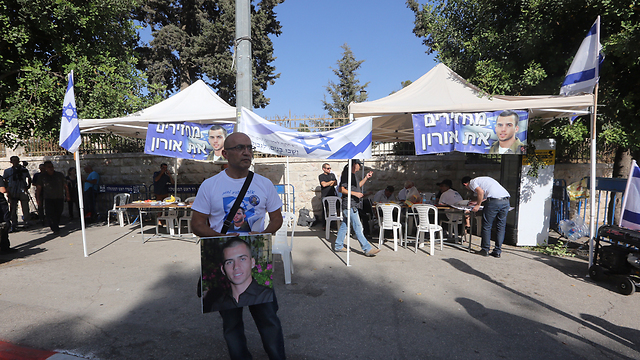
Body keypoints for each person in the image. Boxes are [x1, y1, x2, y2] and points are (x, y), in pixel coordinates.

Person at [191, 132, 285, 359]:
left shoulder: (263, 184)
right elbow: (197, 224)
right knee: (232, 324)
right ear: (225, 153)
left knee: (268, 319)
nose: (246, 152)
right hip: (226, 262)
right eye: (239, 147)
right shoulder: (210, 185)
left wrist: (261, 234)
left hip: (256, 261)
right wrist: (222, 240)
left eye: (249, 147)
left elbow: (277, 218)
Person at [334, 160, 381, 257]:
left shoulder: (352, 175)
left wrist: (366, 178)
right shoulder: (347, 174)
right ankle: (367, 249)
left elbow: (357, 186)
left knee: (344, 226)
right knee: (358, 227)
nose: (360, 167)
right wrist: (355, 194)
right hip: (349, 205)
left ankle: (338, 245)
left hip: (351, 205)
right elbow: (341, 189)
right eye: (359, 165)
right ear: (355, 165)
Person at [461, 176, 510, 258]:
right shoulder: (485, 179)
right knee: (501, 226)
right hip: (505, 201)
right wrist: (476, 201)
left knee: (487, 225)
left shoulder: (472, 182)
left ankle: (485, 249)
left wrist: (477, 205)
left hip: (494, 202)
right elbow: (484, 195)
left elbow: (480, 192)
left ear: (465, 184)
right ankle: (497, 251)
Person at [36, 161, 70, 235]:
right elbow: (38, 188)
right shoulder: (42, 177)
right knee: (50, 214)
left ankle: (56, 224)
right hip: (48, 198)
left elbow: (65, 186)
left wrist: (67, 195)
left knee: (58, 212)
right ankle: (54, 227)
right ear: (45, 168)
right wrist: (38, 199)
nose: (51, 168)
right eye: (49, 167)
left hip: (59, 197)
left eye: (52, 166)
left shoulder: (59, 175)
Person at [3, 156, 32, 230]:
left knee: (25, 206)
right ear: (11, 162)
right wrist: (7, 189)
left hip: (22, 189)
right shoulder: (8, 171)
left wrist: (28, 186)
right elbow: (5, 180)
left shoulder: (23, 170)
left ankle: (27, 221)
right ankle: (14, 223)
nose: (15, 162)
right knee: (13, 208)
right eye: (14, 160)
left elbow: (29, 178)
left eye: (17, 160)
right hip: (12, 190)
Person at [318, 163, 337, 228]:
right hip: (325, 195)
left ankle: (333, 224)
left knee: (334, 209)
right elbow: (323, 185)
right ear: (324, 169)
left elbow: (335, 183)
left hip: (333, 194)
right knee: (325, 210)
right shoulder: (321, 176)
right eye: (328, 168)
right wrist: (331, 182)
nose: (329, 169)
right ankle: (324, 225)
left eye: (330, 168)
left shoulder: (332, 175)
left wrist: (328, 183)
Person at [0, 181, 17, 254]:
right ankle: (4, 247)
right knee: (5, 225)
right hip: (1, 204)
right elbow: (2, 190)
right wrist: (7, 187)